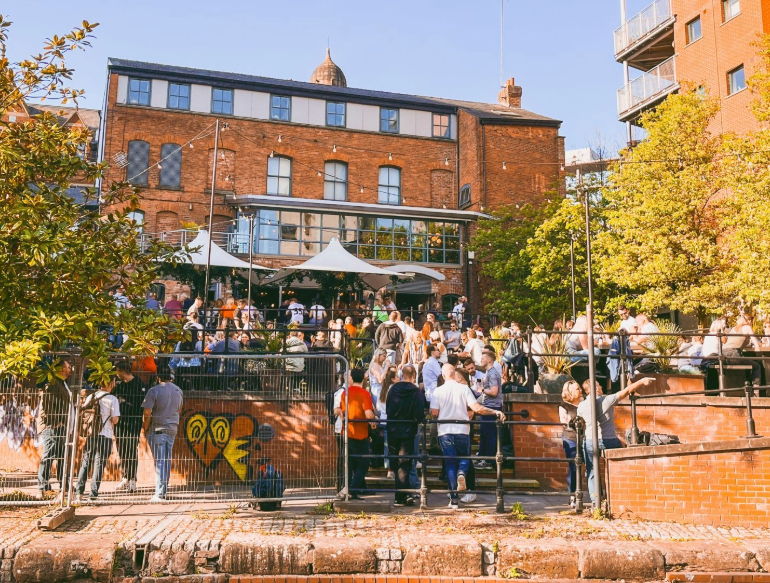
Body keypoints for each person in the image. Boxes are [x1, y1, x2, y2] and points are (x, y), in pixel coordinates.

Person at [431, 363, 506, 509]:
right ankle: (462, 472)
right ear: (454, 374)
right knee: (464, 456)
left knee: (450, 463)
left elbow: (434, 413)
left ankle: (454, 500)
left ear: (444, 375)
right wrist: (495, 411)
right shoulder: (464, 389)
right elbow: (477, 408)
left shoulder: (437, 391)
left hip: (445, 430)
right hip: (462, 429)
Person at [578, 376, 655, 505]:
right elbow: (627, 390)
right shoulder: (606, 400)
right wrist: (642, 381)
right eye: (599, 385)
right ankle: (619, 493)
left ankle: (595, 501)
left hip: (590, 441)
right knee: (621, 460)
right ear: (595, 388)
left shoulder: (581, 405)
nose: (601, 387)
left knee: (591, 471)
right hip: (609, 440)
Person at [142, 361, 183, 501]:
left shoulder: (153, 391)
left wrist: (146, 427)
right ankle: (163, 490)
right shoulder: (178, 390)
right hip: (172, 427)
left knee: (159, 461)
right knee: (166, 460)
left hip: (158, 428)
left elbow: (147, 412)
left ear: (158, 376)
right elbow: (179, 409)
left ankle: (159, 493)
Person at [74, 377, 120, 502]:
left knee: (86, 462)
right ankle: (93, 494)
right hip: (105, 435)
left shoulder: (91, 396)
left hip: (91, 434)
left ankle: (79, 492)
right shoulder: (112, 399)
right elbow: (115, 419)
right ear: (111, 383)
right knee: (99, 464)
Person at [385, 363, 424, 506]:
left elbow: (388, 408)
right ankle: (401, 496)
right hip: (408, 430)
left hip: (393, 429)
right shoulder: (415, 391)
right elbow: (419, 413)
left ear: (402, 375)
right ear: (414, 376)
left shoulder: (393, 389)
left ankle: (403, 493)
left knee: (396, 462)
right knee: (405, 463)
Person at [37, 358, 75, 498]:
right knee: (48, 456)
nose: (70, 369)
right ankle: (43, 487)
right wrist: (55, 422)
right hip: (52, 427)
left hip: (62, 427)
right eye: (68, 366)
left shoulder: (63, 383)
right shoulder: (52, 384)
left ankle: (64, 485)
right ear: (61, 369)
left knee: (62, 457)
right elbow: (47, 404)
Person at [336, 368, 375, 499]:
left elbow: (342, 411)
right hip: (360, 433)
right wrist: (374, 418)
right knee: (364, 463)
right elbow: (368, 413)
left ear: (351, 378)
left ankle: (348, 489)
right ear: (363, 378)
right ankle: (352, 489)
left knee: (351, 463)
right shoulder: (364, 393)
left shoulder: (345, 393)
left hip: (347, 431)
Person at [113, 361, 147, 493]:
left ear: (122, 371)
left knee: (131, 449)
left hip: (133, 423)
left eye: (117, 371)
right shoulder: (119, 385)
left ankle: (132, 479)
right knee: (122, 449)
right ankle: (125, 477)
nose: (116, 374)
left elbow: (143, 406)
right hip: (120, 423)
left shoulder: (139, 384)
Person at [474, 350, 503, 470]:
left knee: (489, 434)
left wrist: (482, 390)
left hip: (492, 407)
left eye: (483, 358)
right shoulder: (489, 373)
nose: (481, 360)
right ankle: (483, 456)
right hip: (488, 405)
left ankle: (488, 461)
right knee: (485, 433)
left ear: (490, 360)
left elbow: (494, 391)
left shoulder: (492, 373)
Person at [559, 380, 583, 507]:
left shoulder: (585, 402)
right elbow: (563, 420)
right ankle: (573, 496)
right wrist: (569, 420)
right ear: (570, 392)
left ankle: (597, 496)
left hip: (585, 437)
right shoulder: (564, 406)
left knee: (590, 465)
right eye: (577, 388)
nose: (581, 390)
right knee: (574, 467)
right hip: (570, 438)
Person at [377, 367, 397, 479]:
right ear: (393, 379)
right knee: (395, 445)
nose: (399, 378)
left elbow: (378, 407)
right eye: (397, 377)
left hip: (384, 419)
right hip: (393, 420)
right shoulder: (395, 390)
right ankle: (394, 468)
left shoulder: (382, 390)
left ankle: (389, 468)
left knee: (387, 445)